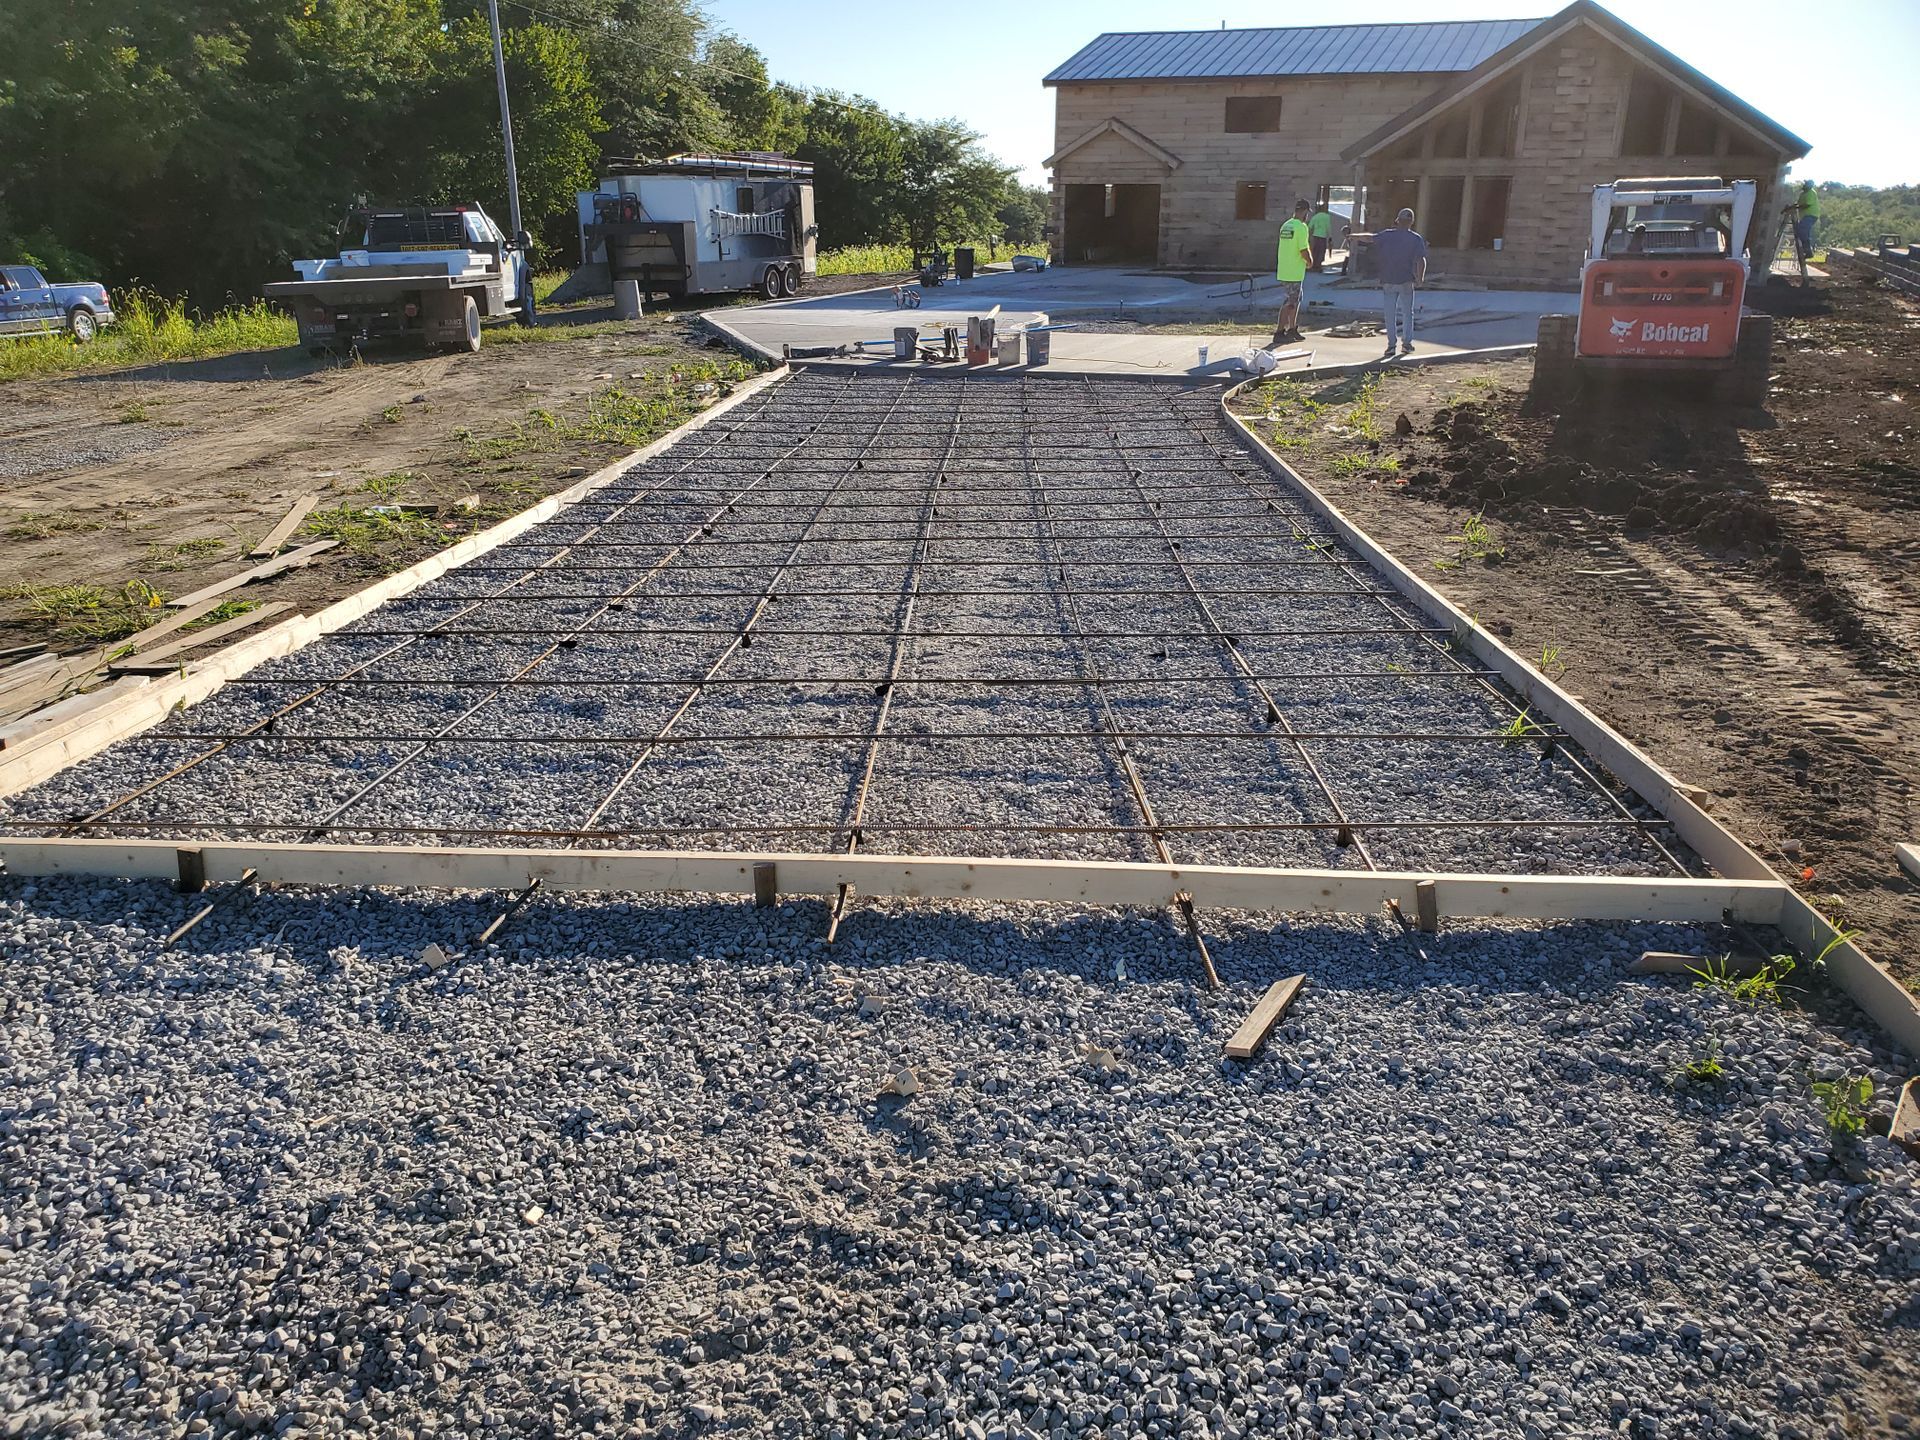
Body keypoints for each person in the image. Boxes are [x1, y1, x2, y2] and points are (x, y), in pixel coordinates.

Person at [1372, 207, 1428, 358]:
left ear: (1398, 221)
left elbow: (1370, 237)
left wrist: (1354, 236)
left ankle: (1391, 346)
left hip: (1388, 280)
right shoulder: (1416, 239)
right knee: (1407, 313)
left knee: (1389, 314)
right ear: (1411, 222)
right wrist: (1420, 278)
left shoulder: (1387, 235)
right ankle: (1407, 344)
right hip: (1406, 281)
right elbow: (1421, 260)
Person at [1271, 199, 1313, 346]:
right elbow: (1303, 249)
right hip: (1294, 271)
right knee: (1290, 302)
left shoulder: (1286, 225)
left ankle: (1292, 329)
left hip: (1285, 269)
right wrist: (1310, 262)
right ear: (1305, 212)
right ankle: (1279, 332)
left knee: (1295, 300)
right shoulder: (1301, 227)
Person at [1791, 178, 1820, 262]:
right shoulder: (1803, 194)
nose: (1804, 185)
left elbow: (1806, 205)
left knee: (1802, 231)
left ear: (1810, 186)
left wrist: (1796, 207)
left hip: (1811, 215)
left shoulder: (1811, 193)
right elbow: (1799, 203)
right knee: (1800, 231)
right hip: (1805, 216)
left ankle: (1808, 251)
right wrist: (1793, 206)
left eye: (1806, 184)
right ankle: (1806, 249)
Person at [1308, 201, 1334, 273]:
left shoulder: (1315, 217)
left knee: (1314, 251)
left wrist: (1309, 236)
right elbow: (1328, 227)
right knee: (1321, 251)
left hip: (1315, 236)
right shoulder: (1327, 217)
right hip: (1323, 236)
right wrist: (1330, 237)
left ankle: (1313, 265)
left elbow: (1310, 227)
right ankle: (1319, 266)